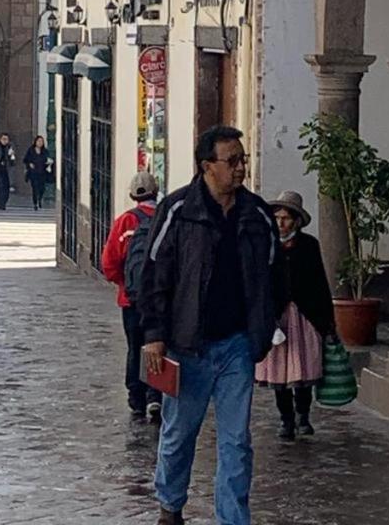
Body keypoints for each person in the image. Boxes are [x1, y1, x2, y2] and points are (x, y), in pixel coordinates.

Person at [141, 126, 284, 525]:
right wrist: (154, 336)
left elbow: (275, 274)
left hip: (237, 345)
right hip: (186, 346)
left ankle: (232, 519)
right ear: (207, 166)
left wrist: (265, 325)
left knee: (237, 442)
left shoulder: (257, 215)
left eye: (243, 159)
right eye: (232, 161)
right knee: (178, 435)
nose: (240, 168)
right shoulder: (177, 211)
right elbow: (153, 276)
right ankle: (170, 506)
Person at [255, 190, 335, 440]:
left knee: (303, 369)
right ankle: (286, 419)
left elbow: (320, 283)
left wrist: (327, 323)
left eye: (286, 218)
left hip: (304, 314)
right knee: (280, 371)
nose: (281, 223)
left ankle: (303, 415)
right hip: (277, 315)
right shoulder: (266, 244)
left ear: (296, 221)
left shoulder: (309, 245)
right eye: (277, 218)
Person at [102, 171, 163, 421]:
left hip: (131, 299)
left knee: (134, 347)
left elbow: (109, 263)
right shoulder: (164, 218)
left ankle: (136, 399)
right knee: (159, 344)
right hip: (160, 299)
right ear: (156, 191)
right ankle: (156, 395)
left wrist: (125, 283)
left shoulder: (125, 222)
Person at [23, 136, 49, 210]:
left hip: (42, 172)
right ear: (35, 142)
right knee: (35, 188)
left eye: (41, 141)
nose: (40, 143)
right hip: (33, 173)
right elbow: (25, 159)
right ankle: (35, 203)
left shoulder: (45, 151)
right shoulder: (31, 150)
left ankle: (40, 199)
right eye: (39, 141)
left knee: (42, 188)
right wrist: (29, 164)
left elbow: (48, 159)